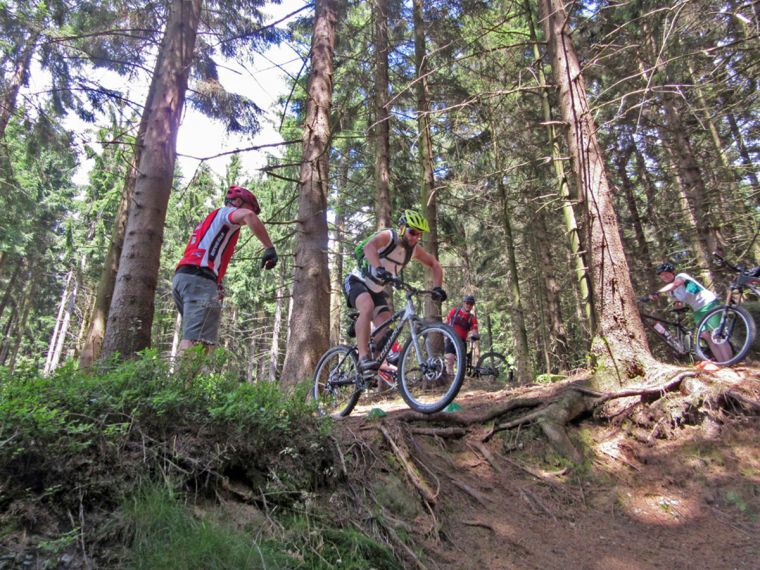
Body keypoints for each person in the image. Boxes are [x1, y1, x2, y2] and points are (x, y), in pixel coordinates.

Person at [172, 185, 278, 356]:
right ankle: (178, 382)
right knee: (196, 340)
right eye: (250, 206)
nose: (251, 215)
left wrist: (217, 282)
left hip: (186, 278)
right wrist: (269, 248)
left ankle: (187, 382)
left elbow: (207, 251)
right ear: (237, 202)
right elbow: (248, 215)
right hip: (200, 280)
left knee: (204, 342)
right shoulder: (224, 214)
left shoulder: (212, 221)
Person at [343, 209, 447, 379]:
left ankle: (371, 357)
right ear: (401, 228)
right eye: (412, 232)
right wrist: (379, 268)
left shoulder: (413, 250)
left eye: (419, 234)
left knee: (386, 325)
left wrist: (437, 287)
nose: (415, 237)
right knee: (367, 307)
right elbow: (370, 247)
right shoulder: (389, 236)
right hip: (356, 281)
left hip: (376, 290)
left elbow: (435, 265)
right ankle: (362, 358)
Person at [646, 262, 732, 363]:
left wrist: (658, 292)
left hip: (709, 303)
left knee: (717, 334)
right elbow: (678, 303)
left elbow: (675, 284)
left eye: (666, 274)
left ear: (672, 272)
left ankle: (730, 362)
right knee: (707, 337)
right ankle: (722, 363)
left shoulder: (681, 276)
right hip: (697, 310)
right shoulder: (671, 291)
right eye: (661, 275)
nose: (664, 276)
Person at [444, 295, 479, 373]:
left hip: (462, 341)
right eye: (467, 303)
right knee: (449, 360)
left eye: (471, 304)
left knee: (462, 364)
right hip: (451, 338)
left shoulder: (472, 318)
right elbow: (446, 322)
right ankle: (450, 379)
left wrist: (475, 335)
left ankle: (459, 381)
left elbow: (474, 329)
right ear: (464, 303)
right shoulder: (454, 311)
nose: (469, 305)